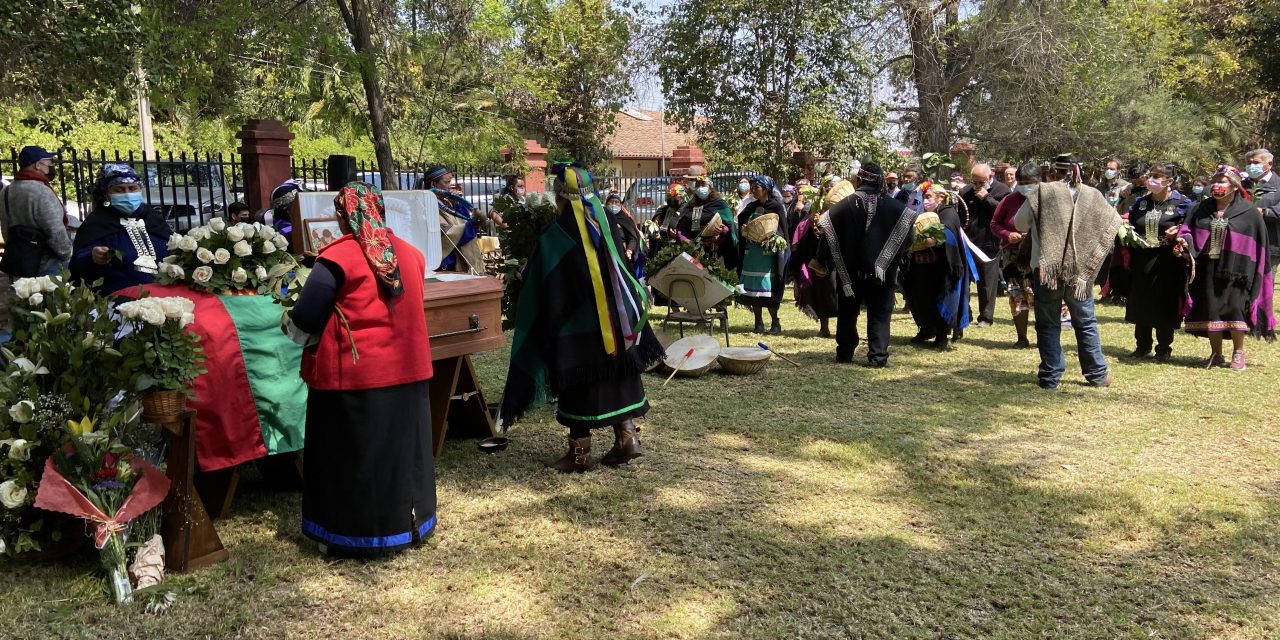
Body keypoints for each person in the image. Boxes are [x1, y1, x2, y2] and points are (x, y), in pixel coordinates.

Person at [285, 181, 435, 555]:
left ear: (341, 215)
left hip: (354, 377)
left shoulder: (336, 258)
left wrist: (286, 325)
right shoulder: (412, 254)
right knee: (403, 453)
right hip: (408, 369)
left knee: (353, 455)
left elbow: (305, 318)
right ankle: (410, 526)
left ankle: (351, 535)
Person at [500, 162, 663, 473]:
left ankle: (580, 454)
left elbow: (545, 281)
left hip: (576, 327)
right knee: (617, 372)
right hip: (617, 322)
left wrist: (525, 273)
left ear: (561, 198)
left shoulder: (556, 234)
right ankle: (627, 439)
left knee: (578, 381)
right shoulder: (609, 225)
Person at [1014, 154, 1120, 389]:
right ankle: (1097, 375)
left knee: (1048, 323)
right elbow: (1112, 222)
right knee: (1086, 322)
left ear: (1052, 172)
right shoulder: (1093, 195)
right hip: (1080, 272)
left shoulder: (1042, 192)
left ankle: (1050, 376)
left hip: (1047, 270)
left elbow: (1019, 224)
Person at [813, 162, 915, 367]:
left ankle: (844, 353)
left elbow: (826, 229)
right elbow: (909, 236)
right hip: (882, 272)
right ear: (881, 182)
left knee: (848, 311)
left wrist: (821, 261)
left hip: (849, 272)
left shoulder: (843, 206)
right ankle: (877, 356)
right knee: (880, 312)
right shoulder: (897, 208)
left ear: (859, 180)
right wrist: (893, 255)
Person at [1176, 166, 1268, 370]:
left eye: (1223, 181)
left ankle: (1238, 352)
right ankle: (1216, 353)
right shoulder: (1200, 208)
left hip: (1238, 271)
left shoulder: (1249, 212)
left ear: (1235, 186)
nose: (1217, 185)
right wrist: (1184, 240)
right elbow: (1188, 229)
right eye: (1215, 181)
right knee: (1212, 310)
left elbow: (1258, 244)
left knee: (1235, 308)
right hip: (1207, 267)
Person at [1125, 165, 1194, 361]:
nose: (1150, 180)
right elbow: (1131, 222)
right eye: (1150, 176)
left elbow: (1192, 227)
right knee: (1142, 300)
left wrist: (1179, 230)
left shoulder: (1182, 203)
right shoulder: (1141, 203)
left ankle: (1163, 348)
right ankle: (1142, 345)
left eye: (1156, 177)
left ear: (1169, 181)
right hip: (1142, 259)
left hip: (1168, 261)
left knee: (1165, 302)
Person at [70, 164, 172, 295]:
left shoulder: (152, 218)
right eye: (119, 190)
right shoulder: (96, 224)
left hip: (165, 297)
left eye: (132, 188)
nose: (128, 194)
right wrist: (92, 257)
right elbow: (79, 265)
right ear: (106, 194)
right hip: (119, 299)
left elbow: (173, 248)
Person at [904, 184, 974, 350]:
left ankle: (942, 334)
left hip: (941, 267)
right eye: (925, 196)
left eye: (929, 196)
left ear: (941, 198)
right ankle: (926, 329)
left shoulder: (948, 213)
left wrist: (933, 236)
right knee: (919, 297)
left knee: (939, 298)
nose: (926, 200)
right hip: (920, 265)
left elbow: (947, 234)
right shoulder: (920, 211)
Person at [0, 146, 72, 276]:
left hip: (21, 260)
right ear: (38, 165)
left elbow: (6, 227)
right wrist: (68, 254)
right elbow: (55, 231)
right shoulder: (41, 191)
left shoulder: (6, 191)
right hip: (47, 262)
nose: (50, 166)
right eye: (49, 162)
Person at [990, 163, 1040, 348]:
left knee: (1039, 296)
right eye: (1022, 182)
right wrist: (1006, 234)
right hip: (1013, 256)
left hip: (1039, 255)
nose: (1025, 185)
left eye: (1029, 182)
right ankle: (1021, 337)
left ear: (1039, 181)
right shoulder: (1009, 200)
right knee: (1018, 295)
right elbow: (995, 223)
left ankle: (1044, 336)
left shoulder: (1045, 200)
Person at [960, 162, 1011, 327]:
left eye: (980, 182)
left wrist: (987, 199)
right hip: (968, 243)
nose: (976, 185)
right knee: (964, 281)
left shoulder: (1002, 191)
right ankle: (964, 314)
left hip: (990, 244)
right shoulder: (966, 191)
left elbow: (1004, 214)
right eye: (974, 181)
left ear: (991, 176)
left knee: (987, 284)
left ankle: (986, 317)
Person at [737, 175, 789, 334]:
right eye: (753, 187)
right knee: (754, 290)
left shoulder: (776, 206)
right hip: (752, 253)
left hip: (768, 255)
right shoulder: (751, 207)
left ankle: (775, 322)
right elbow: (741, 221)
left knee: (768, 288)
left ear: (766, 189)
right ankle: (758, 322)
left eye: (757, 187)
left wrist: (774, 238)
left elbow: (784, 230)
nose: (753, 190)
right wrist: (745, 227)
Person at [426, 166, 484, 275]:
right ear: (434, 184)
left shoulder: (448, 202)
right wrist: (473, 225)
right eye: (446, 182)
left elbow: (464, 219)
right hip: (445, 266)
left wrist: (457, 204)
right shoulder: (428, 205)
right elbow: (449, 234)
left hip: (459, 264)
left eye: (450, 182)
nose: (449, 186)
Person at [678, 175, 738, 271]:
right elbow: (681, 228)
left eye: (703, 184)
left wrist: (723, 231)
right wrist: (687, 242)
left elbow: (730, 227)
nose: (700, 188)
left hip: (715, 252)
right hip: (694, 253)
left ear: (710, 187)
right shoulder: (690, 206)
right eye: (698, 185)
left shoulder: (720, 204)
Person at [604, 192, 645, 278]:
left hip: (622, 254)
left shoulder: (625, 220)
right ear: (606, 204)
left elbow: (632, 238)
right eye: (611, 202)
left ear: (620, 205)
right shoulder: (601, 219)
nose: (613, 204)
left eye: (616, 202)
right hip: (605, 254)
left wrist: (629, 250)